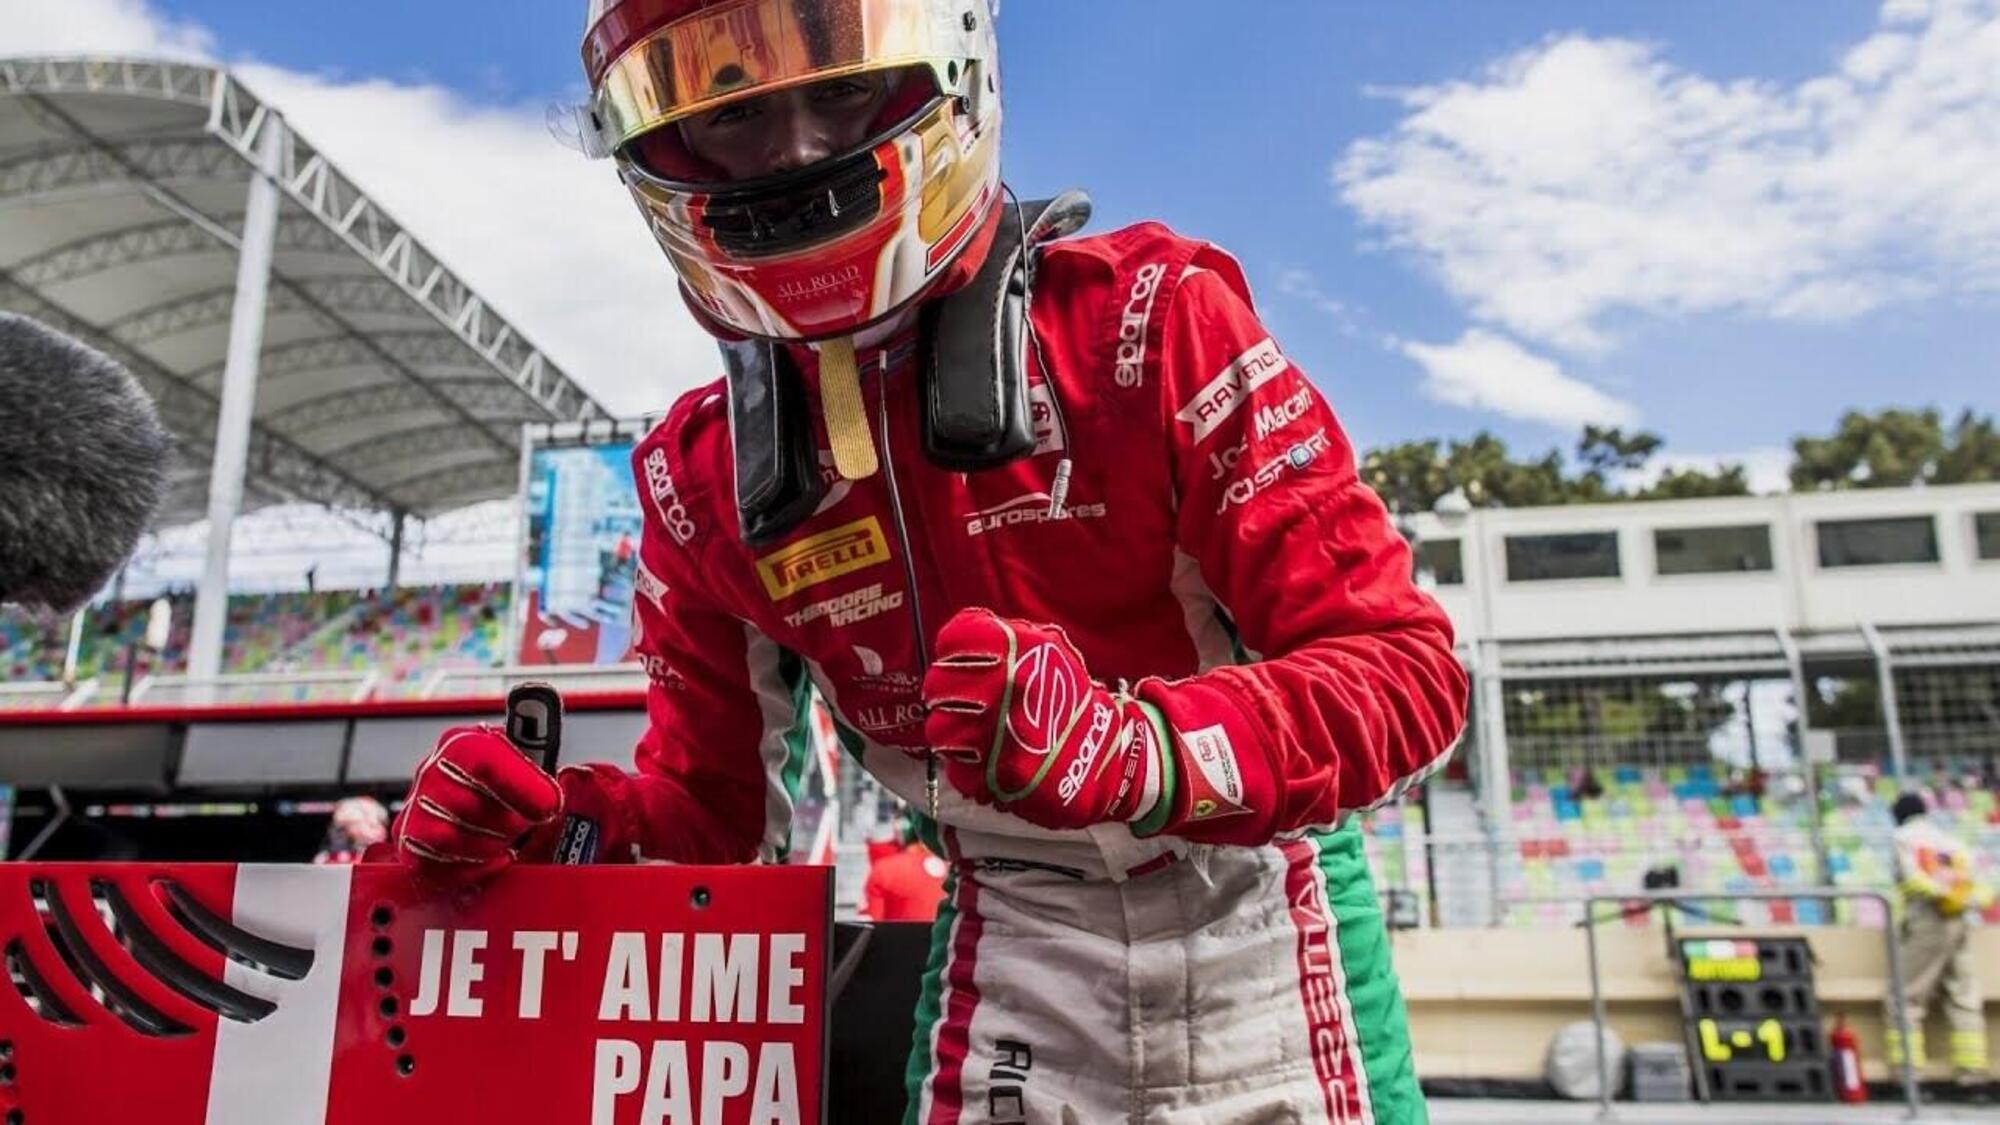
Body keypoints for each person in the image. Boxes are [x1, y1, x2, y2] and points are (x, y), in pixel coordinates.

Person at [388, 2, 1467, 1120]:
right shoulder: (692, 481)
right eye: (735, 112)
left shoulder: (1150, 322)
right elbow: (714, 828)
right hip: (1012, 945)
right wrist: (560, 827)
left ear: (955, 70)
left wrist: (1137, 747)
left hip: (1261, 916)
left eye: (842, 86)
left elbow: (1404, 673)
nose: (795, 151)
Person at [1883, 792, 1993, 1087]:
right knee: (1964, 996)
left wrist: (1941, 897)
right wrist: (1963, 902)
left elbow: (1912, 879)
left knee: (1904, 996)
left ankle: (1908, 1075)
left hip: (1927, 919)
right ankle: (1973, 1074)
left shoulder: (1903, 838)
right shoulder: (1951, 840)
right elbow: (1979, 885)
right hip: (1961, 920)